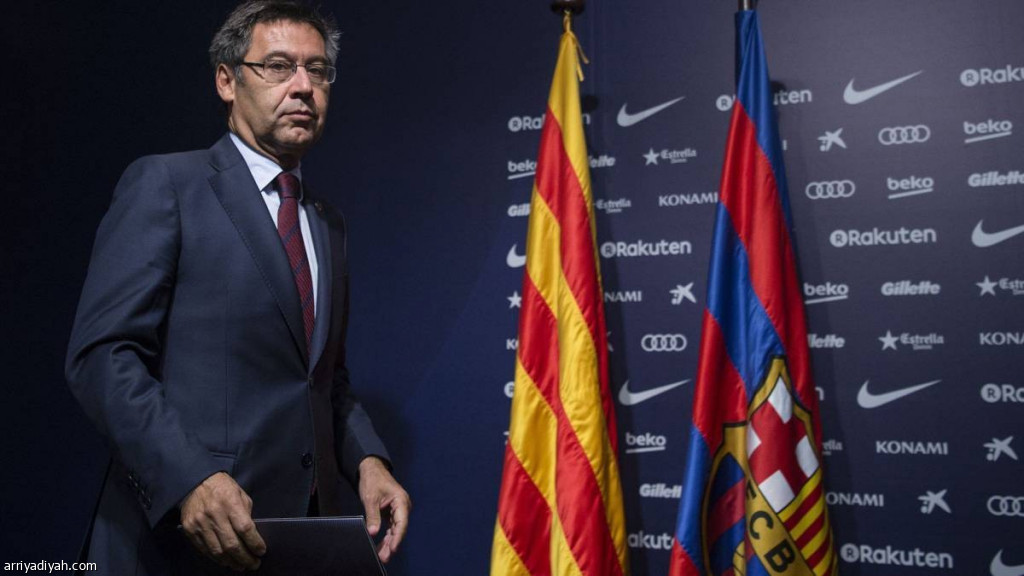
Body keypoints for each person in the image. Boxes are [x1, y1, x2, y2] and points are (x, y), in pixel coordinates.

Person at [65, 1, 410, 573]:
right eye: (278, 66)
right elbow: (103, 357)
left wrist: (369, 461)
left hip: (296, 544)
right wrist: (190, 477)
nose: (303, 87)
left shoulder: (328, 223)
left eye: (318, 69)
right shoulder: (167, 184)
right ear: (227, 81)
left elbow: (323, 380)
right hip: (178, 543)